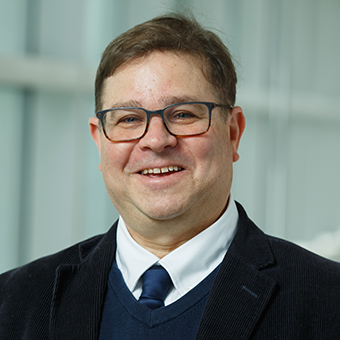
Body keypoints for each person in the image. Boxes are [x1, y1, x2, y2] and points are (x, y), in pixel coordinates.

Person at [0, 13, 339, 340]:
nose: (157, 140)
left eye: (183, 114)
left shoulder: (327, 302)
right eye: (129, 119)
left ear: (233, 133)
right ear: (99, 139)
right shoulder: (13, 302)